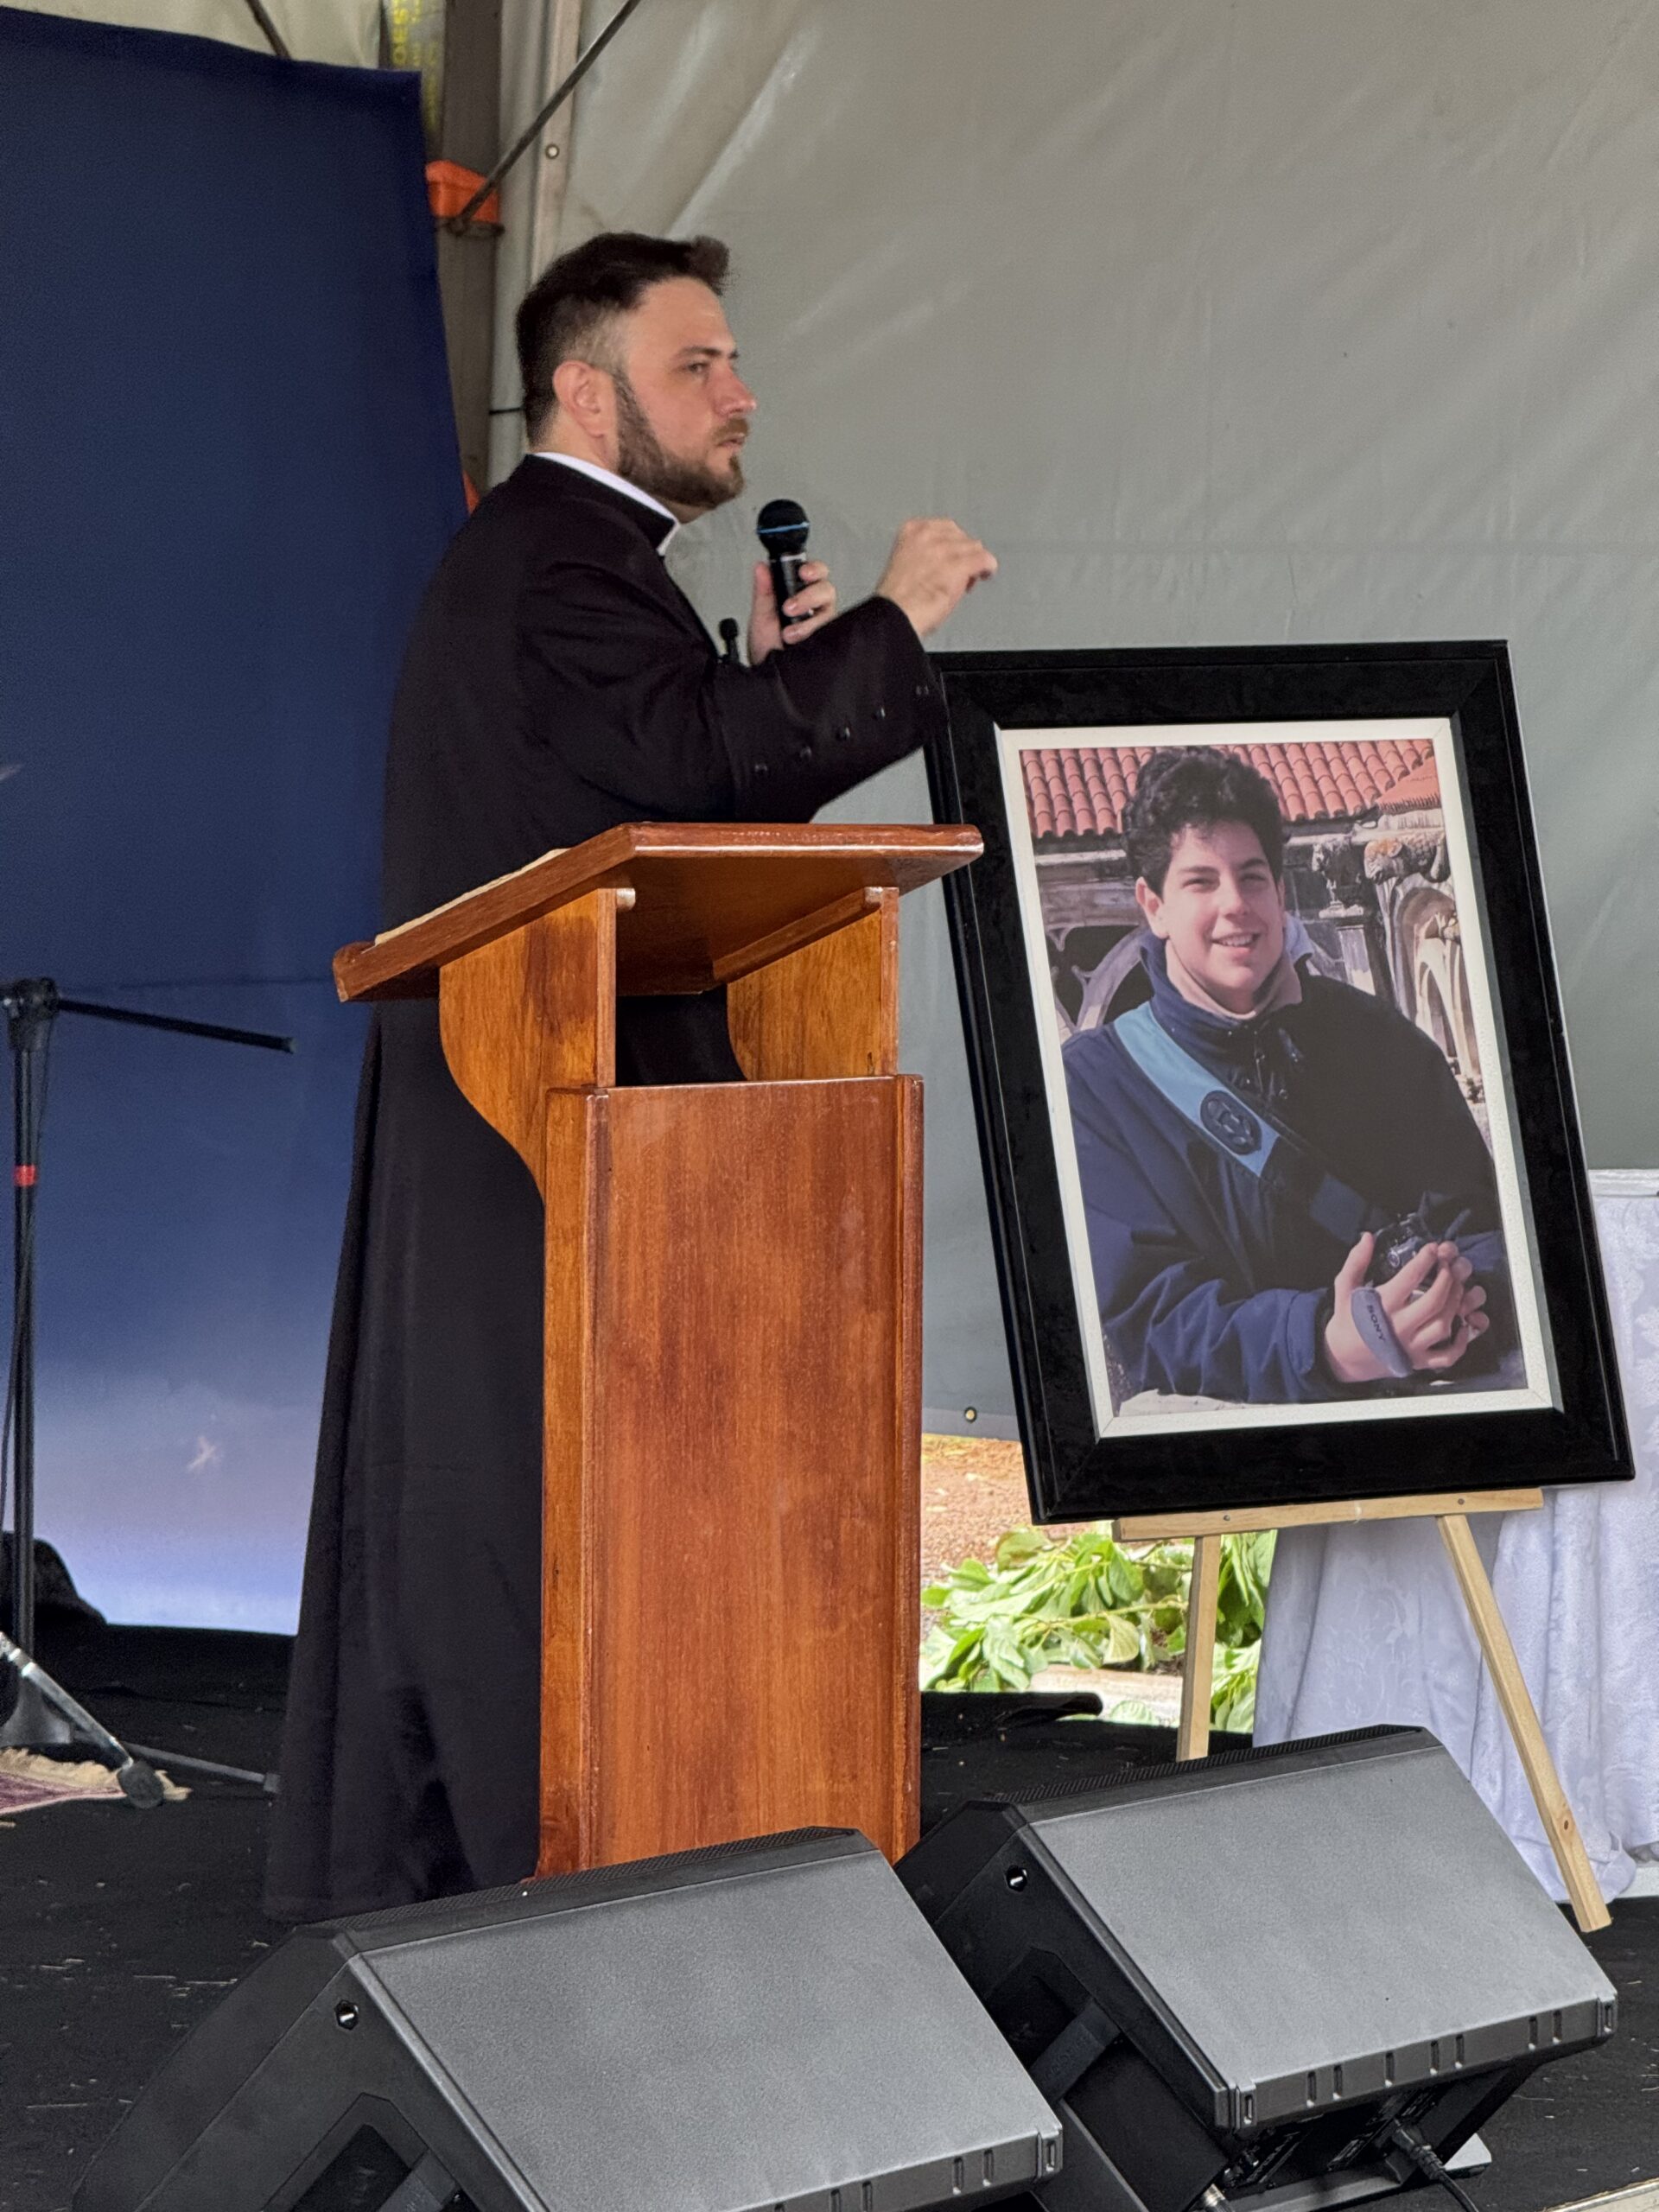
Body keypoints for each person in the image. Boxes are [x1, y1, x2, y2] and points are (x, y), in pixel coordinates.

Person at [265, 232, 995, 1921]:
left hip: (561, 1080)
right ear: (587, 393)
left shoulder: (580, 559)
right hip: (539, 1098)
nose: (741, 396)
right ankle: (548, 1853)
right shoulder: (560, 561)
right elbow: (693, 768)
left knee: (533, 1486)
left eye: (734, 362)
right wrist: (891, 628)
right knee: (524, 1495)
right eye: (699, 366)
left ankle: (607, 1825)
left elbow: (659, 791)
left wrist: (769, 681)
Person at [1061, 747, 1513, 1410]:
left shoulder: (1379, 1037)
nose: (1235, 906)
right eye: (1200, 883)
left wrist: (1466, 1304)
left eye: (1252, 878)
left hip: (1438, 1403)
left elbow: (1483, 1223)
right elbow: (1154, 1318)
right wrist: (1325, 1346)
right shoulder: (1094, 1088)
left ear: (1279, 891)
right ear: (1153, 905)